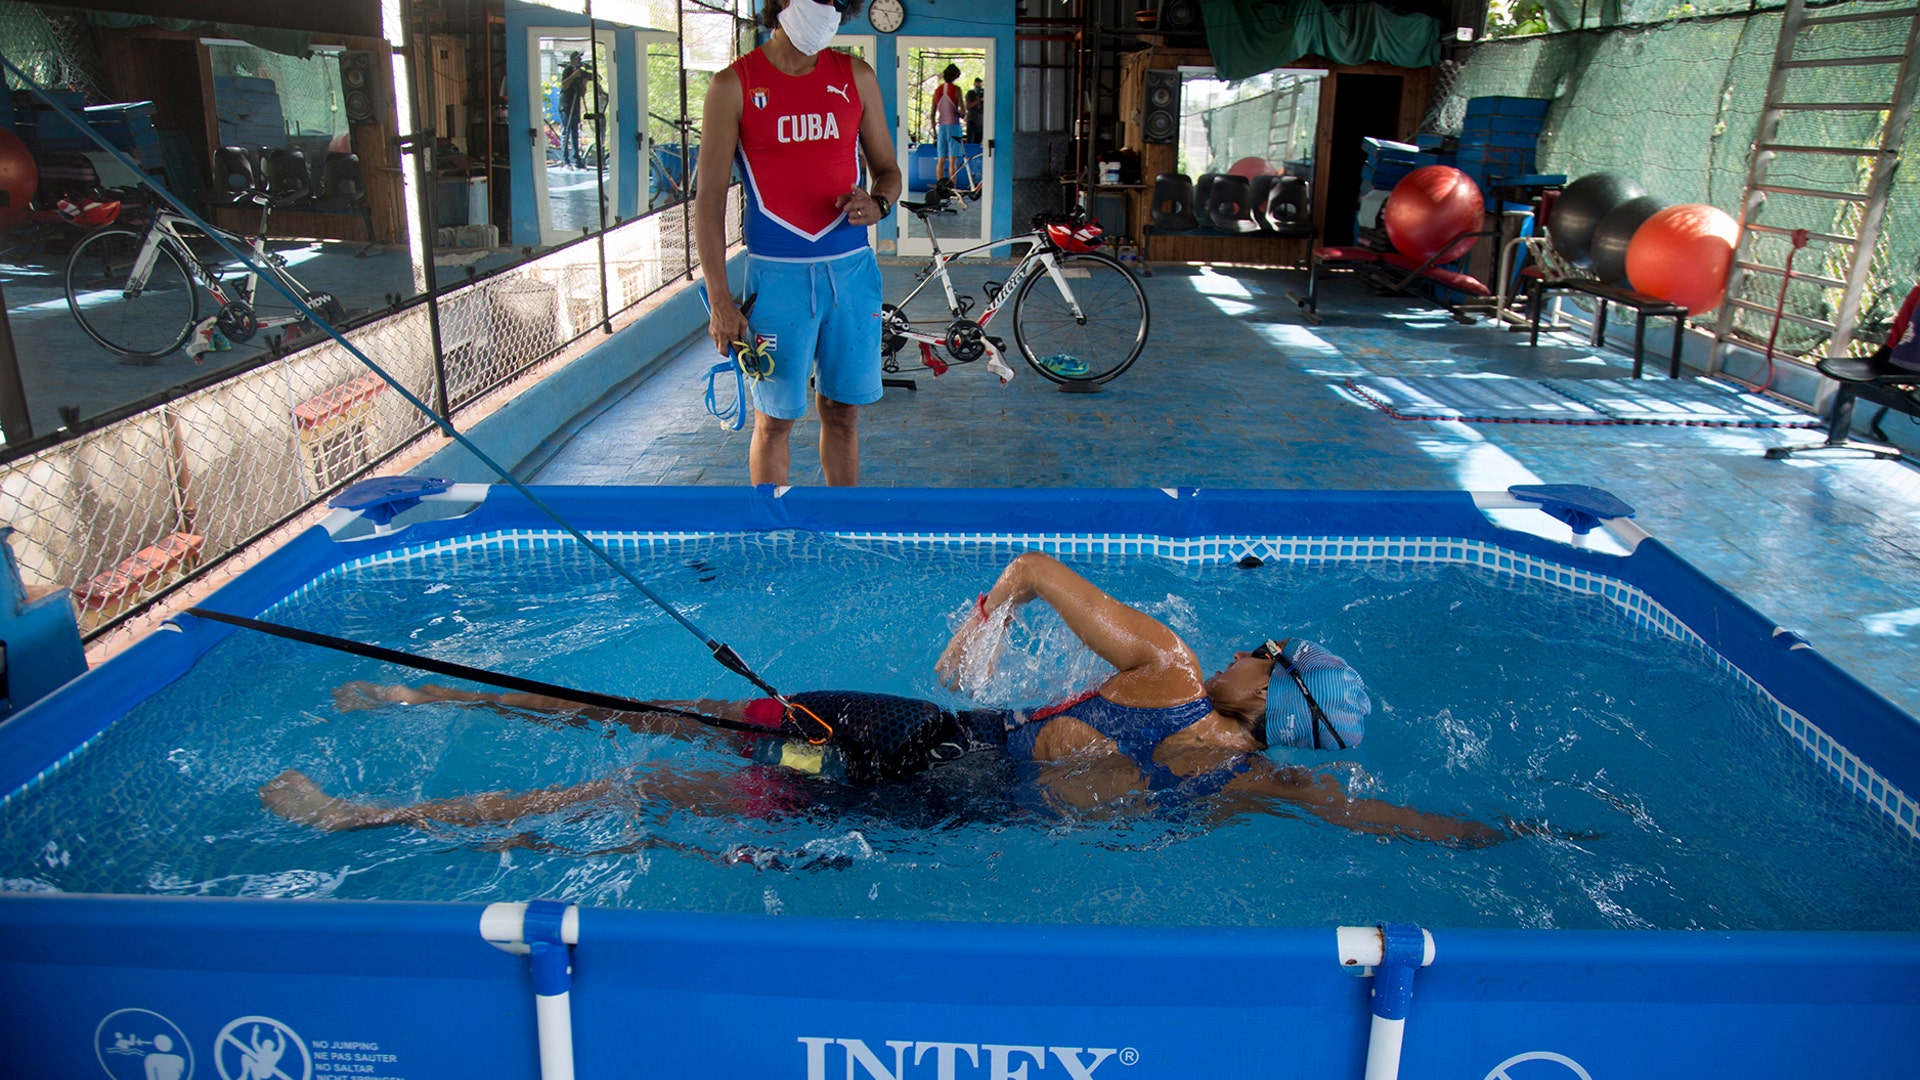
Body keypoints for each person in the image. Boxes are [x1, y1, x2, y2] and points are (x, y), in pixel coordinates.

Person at [261, 552, 1509, 847]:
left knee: (649, 739)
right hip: (936, 810)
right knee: (652, 795)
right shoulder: (1254, 785)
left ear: (1271, 686)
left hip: (905, 735)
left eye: (1273, 648)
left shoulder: (1173, 665)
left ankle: (404, 726)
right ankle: (359, 815)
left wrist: (988, 622)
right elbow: (1396, 825)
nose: (1258, 641)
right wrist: (1509, 837)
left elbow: (1030, 563)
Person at [693, 0, 900, 488]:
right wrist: (721, 302)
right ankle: (771, 538)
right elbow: (707, 203)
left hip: (851, 273)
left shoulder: (855, 75)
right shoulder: (732, 85)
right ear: (781, 3)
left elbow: (887, 173)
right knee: (775, 421)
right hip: (776, 279)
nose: (830, 10)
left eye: (838, 3)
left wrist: (880, 204)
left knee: (843, 413)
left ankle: (840, 529)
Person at [929, 63, 965, 189]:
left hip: (941, 128)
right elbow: (963, 112)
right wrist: (959, 114)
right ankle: (952, 188)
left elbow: (932, 114)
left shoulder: (937, 91)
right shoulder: (956, 90)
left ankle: (940, 188)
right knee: (952, 161)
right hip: (954, 126)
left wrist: (934, 130)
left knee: (941, 159)